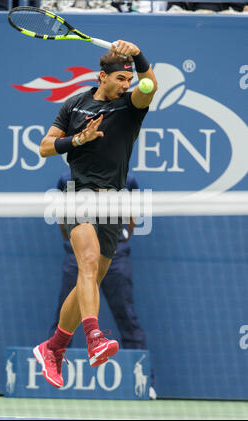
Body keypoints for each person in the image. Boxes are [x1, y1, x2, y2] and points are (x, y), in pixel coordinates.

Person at [33, 40, 157, 389]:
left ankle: (53, 347)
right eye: (119, 78)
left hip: (113, 204)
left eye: (128, 79)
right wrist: (77, 141)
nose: (126, 84)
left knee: (90, 279)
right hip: (80, 196)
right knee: (86, 265)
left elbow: (152, 86)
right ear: (102, 77)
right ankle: (94, 338)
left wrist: (137, 54)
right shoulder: (74, 105)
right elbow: (44, 147)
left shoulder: (131, 106)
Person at [49, 171, 148, 350]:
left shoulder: (127, 179)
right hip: (77, 259)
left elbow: (132, 214)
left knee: (127, 319)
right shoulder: (66, 179)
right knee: (63, 322)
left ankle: (141, 377)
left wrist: (120, 239)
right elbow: (63, 215)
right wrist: (74, 243)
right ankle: (53, 367)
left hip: (114, 258)